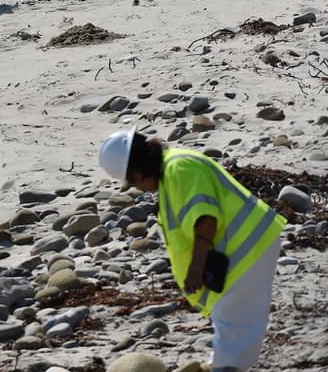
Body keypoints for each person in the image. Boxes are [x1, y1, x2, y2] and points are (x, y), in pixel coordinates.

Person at [99, 128, 286, 371]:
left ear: (138, 170)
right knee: (234, 325)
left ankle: (222, 367)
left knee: (235, 330)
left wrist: (197, 266)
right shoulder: (172, 171)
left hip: (245, 250)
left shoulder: (179, 169)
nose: (139, 188)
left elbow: (205, 219)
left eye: (133, 181)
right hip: (240, 252)